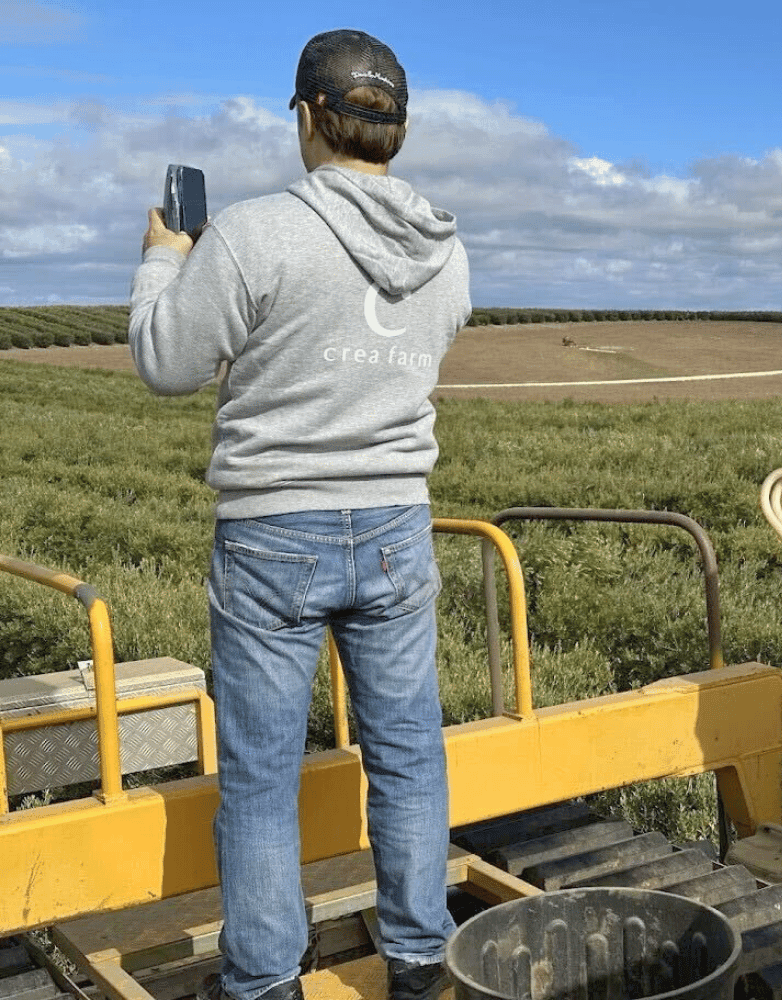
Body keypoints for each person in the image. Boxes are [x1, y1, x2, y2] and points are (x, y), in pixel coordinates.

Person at [129, 29, 470, 1000]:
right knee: (406, 756)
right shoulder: (446, 251)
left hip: (275, 532)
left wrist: (163, 259)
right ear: (394, 131)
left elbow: (167, 361)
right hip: (399, 528)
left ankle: (266, 980)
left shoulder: (253, 231)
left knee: (262, 779)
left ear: (309, 118)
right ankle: (417, 962)